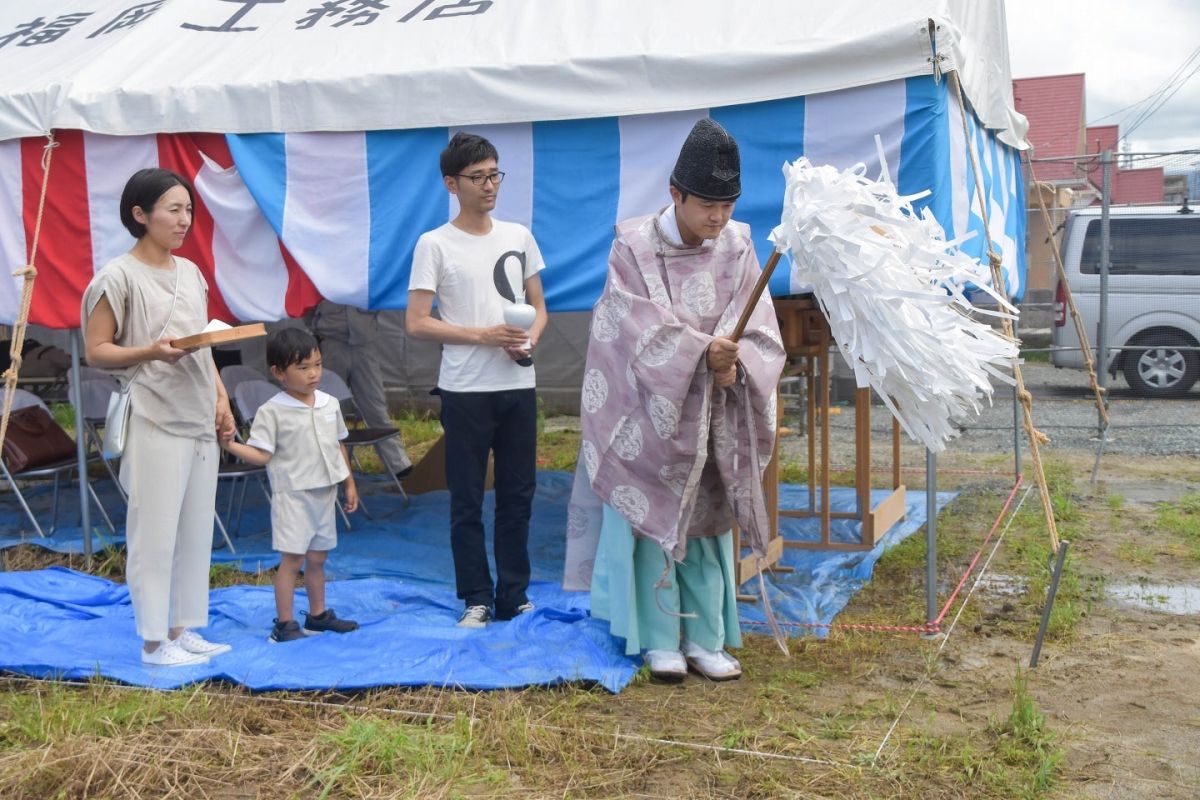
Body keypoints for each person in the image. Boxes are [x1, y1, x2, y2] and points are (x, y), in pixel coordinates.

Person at [563, 119, 785, 682]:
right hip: (648, 407)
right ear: (675, 194)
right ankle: (658, 637)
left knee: (708, 521)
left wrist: (734, 357)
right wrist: (697, 351)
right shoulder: (633, 246)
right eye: (707, 204)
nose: (718, 218)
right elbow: (625, 324)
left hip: (715, 407)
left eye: (728, 205)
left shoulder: (738, 245)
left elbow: (759, 324)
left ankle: (705, 637)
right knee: (652, 519)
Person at [82, 168, 236, 667]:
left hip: (197, 414)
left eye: (188, 209)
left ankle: (182, 628)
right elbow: (97, 351)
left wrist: (221, 399)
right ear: (140, 214)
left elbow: (203, 344)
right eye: (174, 209)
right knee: (154, 533)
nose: (184, 219)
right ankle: (152, 643)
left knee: (194, 529)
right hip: (153, 413)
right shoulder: (117, 277)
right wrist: (150, 351)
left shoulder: (190, 272)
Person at [406, 132, 548, 628]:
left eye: (495, 174)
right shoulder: (435, 244)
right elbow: (417, 321)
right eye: (478, 177)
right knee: (466, 498)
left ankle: (514, 593)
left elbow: (539, 308)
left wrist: (528, 340)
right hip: (465, 388)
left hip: (517, 385)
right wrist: (481, 336)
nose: (489, 185)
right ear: (451, 183)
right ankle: (476, 596)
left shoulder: (519, 236)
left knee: (518, 494)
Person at [219, 327, 361, 643]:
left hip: (326, 493)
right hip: (293, 496)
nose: (313, 374)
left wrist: (348, 483)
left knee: (318, 558)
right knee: (292, 560)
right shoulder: (272, 411)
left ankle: (317, 615)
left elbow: (339, 445)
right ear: (278, 372)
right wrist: (229, 446)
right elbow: (261, 454)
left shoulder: (328, 403)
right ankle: (284, 624)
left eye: (317, 364)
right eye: (303, 367)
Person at [307, 301, 413, 481]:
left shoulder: (365, 273)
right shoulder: (323, 272)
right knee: (324, 410)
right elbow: (306, 306)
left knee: (375, 407)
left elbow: (379, 296)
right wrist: (318, 327)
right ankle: (321, 468)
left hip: (364, 344)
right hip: (330, 343)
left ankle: (399, 466)